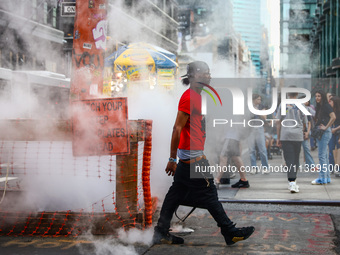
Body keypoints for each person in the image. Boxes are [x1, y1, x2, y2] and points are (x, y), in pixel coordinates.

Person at [152, 61, 255, 246]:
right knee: (209, 194)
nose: (208, 76)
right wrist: (171, 158)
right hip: (192, 157)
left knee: (175, 193)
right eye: (203, 73)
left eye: (209, 73)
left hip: (189, 156)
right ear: (192, 77)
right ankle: (229, 231)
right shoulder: (189, 97)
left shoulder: (198, 96)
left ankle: (160, 231)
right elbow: (177, 128)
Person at [276, 87, 308, 193]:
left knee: (289, 159)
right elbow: (305, 121)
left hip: (286, 135)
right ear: (297, 93)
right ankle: (293, 181)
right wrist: (306, 131)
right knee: (296, 159)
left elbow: (278, 121)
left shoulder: (283, 104)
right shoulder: (302, 105)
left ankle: (292, 182)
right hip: (297, 135)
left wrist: (278, 136)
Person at [311, 90, 336, 184]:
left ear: (323, 97)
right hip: (323, 132)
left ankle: (322, 178)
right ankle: (327, 178)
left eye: (319, 96)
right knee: (324, 156)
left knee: (322, 156)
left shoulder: (326, 105)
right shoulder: (320, 106)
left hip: (324, 132)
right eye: (316, 96)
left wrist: (326, 127)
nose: (317, 98)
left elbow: (333, 117)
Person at [248, 94, 269, 174]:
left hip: (259, 128)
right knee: (251, 150)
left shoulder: (261, 107)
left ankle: (265, 167)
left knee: (262, 149)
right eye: (258, 99)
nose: (259, 101)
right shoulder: (248, 107)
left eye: (260, 99)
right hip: (250, 129)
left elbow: (264, 117)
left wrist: (257, 111)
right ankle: (254, 167)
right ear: (253, 100)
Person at [328, 96, 340, 171]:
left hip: (338, 130)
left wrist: (335, 129)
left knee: (339, 149)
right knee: (331, 148)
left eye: (330, 101)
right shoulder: (330, 111)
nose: (329, 103)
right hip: (331, 130)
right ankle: (331, 167)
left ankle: (338, 167)